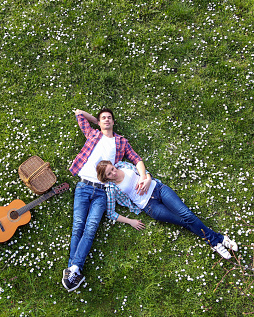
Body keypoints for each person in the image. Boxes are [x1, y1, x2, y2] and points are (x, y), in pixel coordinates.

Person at [63, 108, 145, 292]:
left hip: (103, 191)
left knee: (90, 227)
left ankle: (73, 269)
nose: (106, 120)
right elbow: (80, 116)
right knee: (78, 225)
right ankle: (74, 269)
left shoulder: (121, 141)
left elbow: (135, 158)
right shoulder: (92, 133)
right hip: (83, 186)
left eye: (109, 118)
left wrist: (143, 176)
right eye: (102, 118)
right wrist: (92, 118)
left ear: (114, 122)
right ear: (98, 123)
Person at [96, 160, 238, 259]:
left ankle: (215, 241)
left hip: (158, 189)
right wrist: (130, 221)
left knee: (187, 215)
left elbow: (144, 170)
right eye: (109, 174)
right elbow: (110, 213)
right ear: (105, 178)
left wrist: (148, 179)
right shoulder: (111, 188)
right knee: (184, 221)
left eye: (112, 168)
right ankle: (219, 239)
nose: (114, 173)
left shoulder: (123, 165)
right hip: (150, 206)